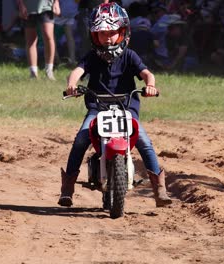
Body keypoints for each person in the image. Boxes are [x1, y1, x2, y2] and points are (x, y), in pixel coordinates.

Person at [58, 2, 172, 208]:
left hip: (126, 109)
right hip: (97, 109)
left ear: (122, 32)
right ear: (94, 36)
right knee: (81, 140)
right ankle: (67, 189)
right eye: (102, 33)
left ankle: (159, 190)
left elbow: (147, 74)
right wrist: (72, 84)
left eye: (112, 32)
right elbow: (77, 71)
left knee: (144, 142)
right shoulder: (92, 57)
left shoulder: (129, 55)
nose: (107, 37)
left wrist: (150, 86)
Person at [17, 0, 60, 80]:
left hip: (47, 6)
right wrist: (21, 4)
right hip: (28, 7)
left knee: (48, 36)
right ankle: (33, 72)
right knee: (31, 40)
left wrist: (56, 2)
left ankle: (49, 70)